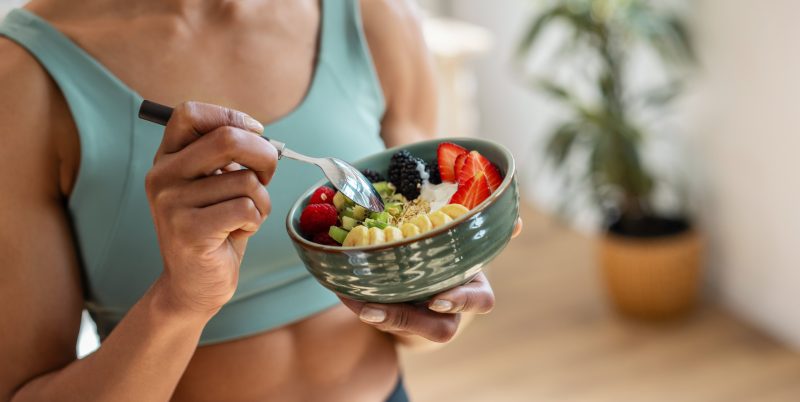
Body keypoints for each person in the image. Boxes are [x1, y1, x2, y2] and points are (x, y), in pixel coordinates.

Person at [0, 0, 520, 400]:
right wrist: (181, 301)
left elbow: (419, 325)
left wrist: (445, 281)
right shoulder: (22, 76)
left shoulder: (372, 14)